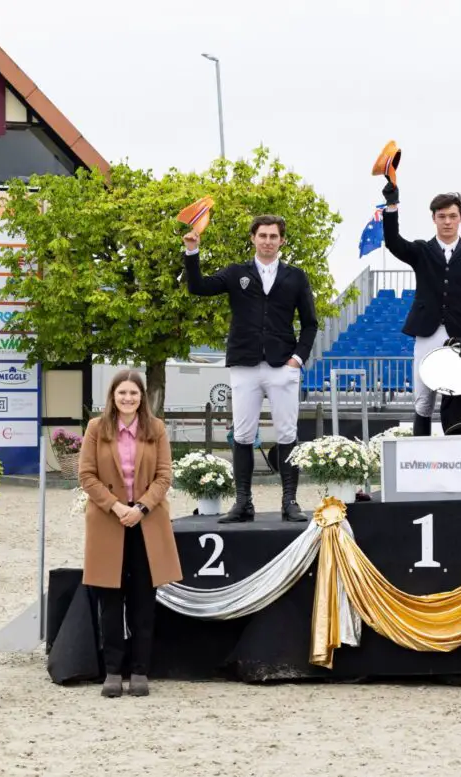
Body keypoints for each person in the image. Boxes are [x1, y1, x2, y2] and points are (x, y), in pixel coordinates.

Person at [183, 215, 318, 523]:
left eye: (273, 236)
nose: (268, 241)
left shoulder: (296, 277)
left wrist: (297, 358)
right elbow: (199, 287)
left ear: (282, 240)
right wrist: (192, 253)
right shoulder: (236, 273)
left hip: (282, 365)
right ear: (253, 238)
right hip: (244, 364)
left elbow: (310, 324)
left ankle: (290, 501)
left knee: (287, 433)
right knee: (243, 434)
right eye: (263, 235)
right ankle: (243, 502)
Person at [78, 370, 183, 698]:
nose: (127, 399)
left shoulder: (156, 429)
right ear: (112, 396)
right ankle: (112, 671)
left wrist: (141, 508)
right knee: (110, 601)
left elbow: (165, 475)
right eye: (122, 393)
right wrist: (116, 507)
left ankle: (139, 670)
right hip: (109, 522)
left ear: (142, 398)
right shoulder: (96, 428)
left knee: (142, 602)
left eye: (133, 394)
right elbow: (86, 475)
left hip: (146, 523)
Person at [379, 180, 461, 436]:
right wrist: (391, 205)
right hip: (427, 333)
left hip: (460, 334)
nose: (447, 221)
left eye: (452, 216)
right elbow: (393, 242)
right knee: (423, 400)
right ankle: (420, 460)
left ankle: (456, 461)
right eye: (442, 216)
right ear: (433, 218)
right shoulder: (421, 250)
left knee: (459, 397)